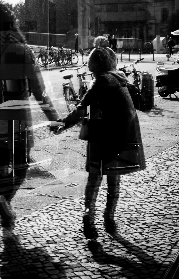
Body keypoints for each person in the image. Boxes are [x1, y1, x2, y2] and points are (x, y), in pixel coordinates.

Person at [0, 4, 60, 227]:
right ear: (13, 25)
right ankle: (5, 200)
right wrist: (52, 116)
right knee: (21, 163)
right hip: (17, 114)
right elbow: (39, 89)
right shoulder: (22, 51)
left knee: (2, 160)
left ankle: (4, 203)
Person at [53, 46, 145, 239]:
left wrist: (64, 124)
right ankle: (109, 219)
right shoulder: (120, 81)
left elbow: (83, 110)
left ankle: (89, 220)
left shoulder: (101, 82)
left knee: (94, 182)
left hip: (102, 139)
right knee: (114, 181)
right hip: (122, 138)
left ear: (94, 65)